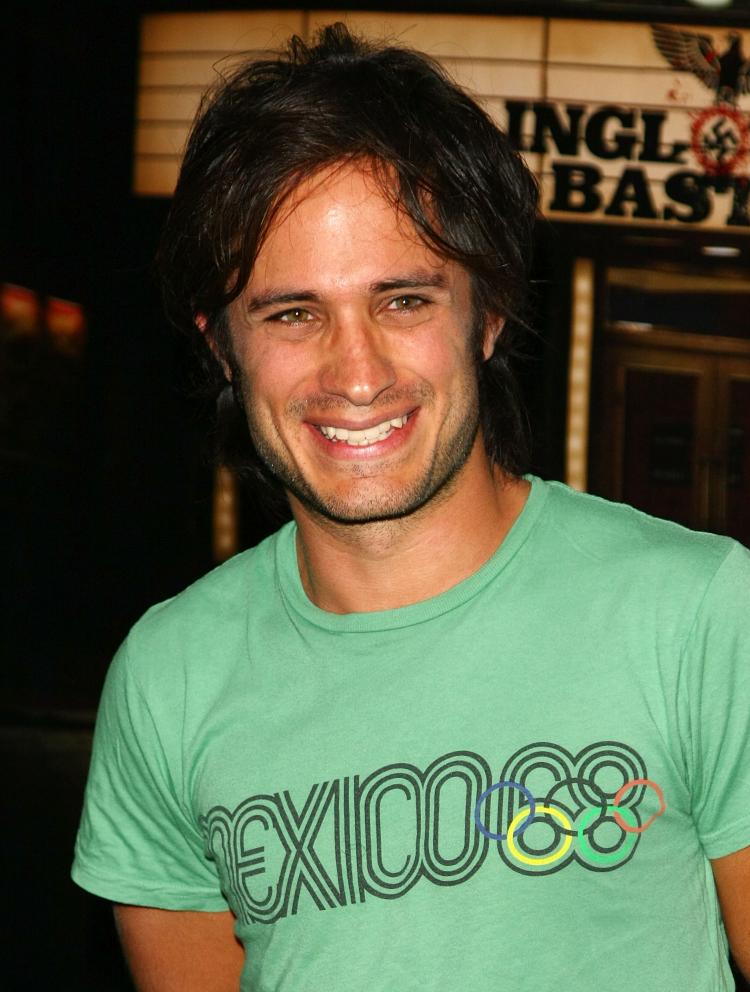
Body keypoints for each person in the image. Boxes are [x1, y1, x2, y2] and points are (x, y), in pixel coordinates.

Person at [72, 23, 750, 992]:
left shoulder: (701, 613)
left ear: (490, 312)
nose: (356, 374)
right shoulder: (167, 677)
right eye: (293, 313)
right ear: (221, 347)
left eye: (404, 301)